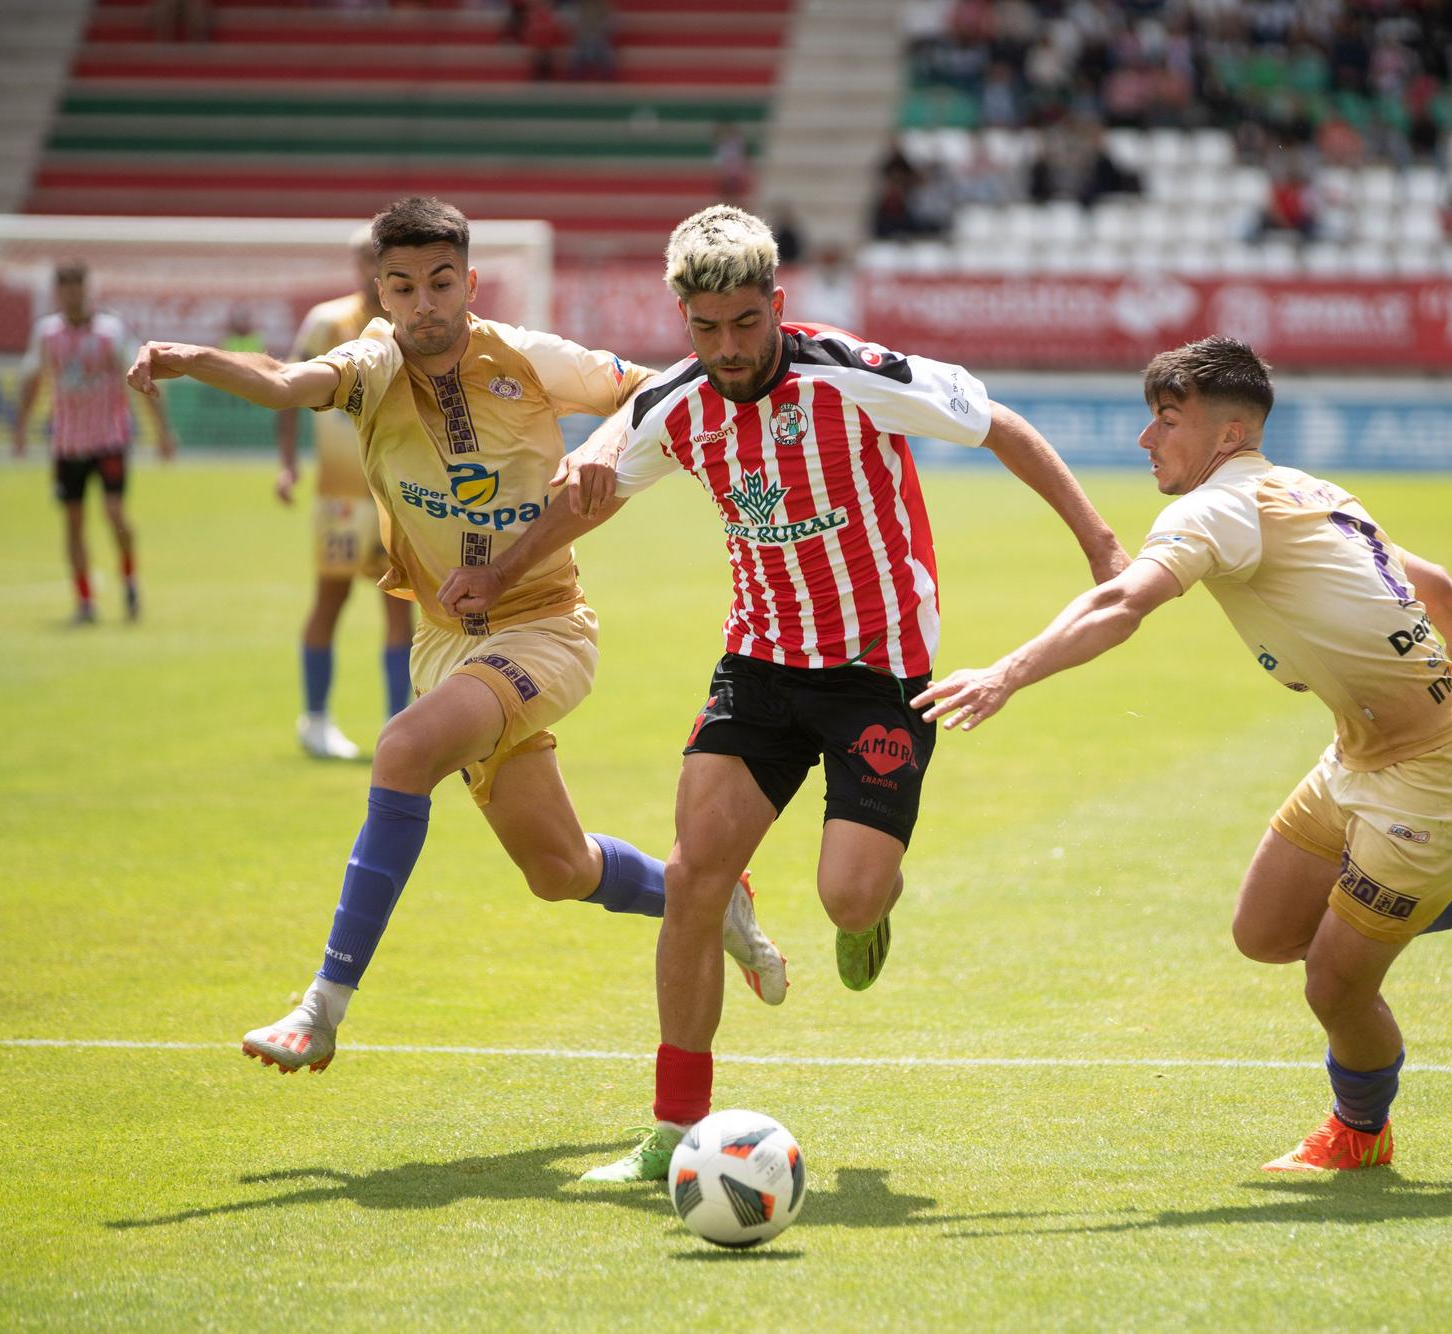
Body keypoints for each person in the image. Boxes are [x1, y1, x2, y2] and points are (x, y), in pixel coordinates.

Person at [439, 205, 1127, 1181]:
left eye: (745, 324)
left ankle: (869, 908)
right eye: (704, 329)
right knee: (690, 880)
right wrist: (501, 571)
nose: (726, 348)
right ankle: (676, 1126)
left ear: (776, 304)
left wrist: (1099, 545)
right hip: (759, 666)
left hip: (877, 672)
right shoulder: (673, 405)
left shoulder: (851, 374)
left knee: (847, 896)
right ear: (683, 319)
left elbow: (999, 426)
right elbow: (586, 493)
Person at [124, 196, 787, 1074]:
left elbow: (653, 387)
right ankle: (708, 901)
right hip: (444, 642)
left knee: (401, 749)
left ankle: (321, 1009)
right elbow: (286, 382)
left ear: (469, 283)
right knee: (557, 867)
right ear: (380, 295)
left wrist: (603, 446)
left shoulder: (527, 356)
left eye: (441, 282)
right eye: (403, 287)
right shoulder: (366, 368)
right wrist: (196, 360)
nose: (425, 302)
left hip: (546, 626)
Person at [913, 336, 1452, 1173]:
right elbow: (1439, 586)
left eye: (1166, 420)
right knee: (1265, 931)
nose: (1147, 440)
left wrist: (1007, 672)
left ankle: (1361, 1133)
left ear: (1226, 435)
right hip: (1360, 756)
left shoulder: (1217, 507)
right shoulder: (1305, 491)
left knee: (1333, 981)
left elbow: (1122, 601)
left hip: (1437, 776)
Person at [276, 229, 416, 761]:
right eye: (364, 259)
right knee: (329, 600)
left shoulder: (409, 325)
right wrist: (288, 467)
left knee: (401, 607)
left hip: (398, 498)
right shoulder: (326, 322)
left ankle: (396, 727)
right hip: (339, 495)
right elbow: (288, 392)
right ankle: (314, 719)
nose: (369, 268)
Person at [14, 260, 177, 625]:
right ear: (59, 293)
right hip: (67, 443)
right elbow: (33, 378)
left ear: (88, 290)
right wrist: (21, 426)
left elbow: (140, 376)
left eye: (79, 288)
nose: (74, 295)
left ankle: (130, 580)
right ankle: (85, 603)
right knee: (73, 521)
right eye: (66, 289)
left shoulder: (110, 332)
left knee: (114, 513)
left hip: (109, 438)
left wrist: (162, 432)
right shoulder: (46, 334)